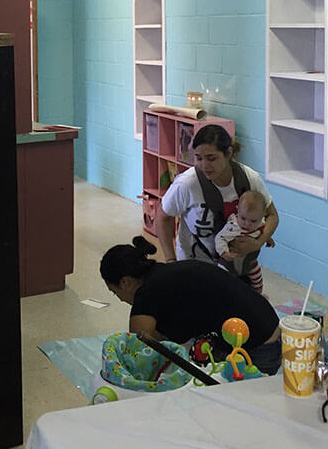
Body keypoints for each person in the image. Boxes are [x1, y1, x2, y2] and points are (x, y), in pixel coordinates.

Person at [100, 236, 281, 375]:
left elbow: (138, 350)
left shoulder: (146, 293)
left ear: (125, 283)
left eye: (115, 292)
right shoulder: (163, 274)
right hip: (270, 330)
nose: (121, 299)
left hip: (257, 351)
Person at [158, 124, 278, 271]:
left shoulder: (250, 178)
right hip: (195, 266)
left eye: (211, 158)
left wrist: (258, 242)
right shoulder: (187, 183)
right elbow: (162, 217)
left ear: (228, 153)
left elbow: (272, 215)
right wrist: (171, 261)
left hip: (236, 267)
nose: (204, 165)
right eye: (199, 158)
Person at [215, 189, 270, 293]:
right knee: (222, 278)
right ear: (237, 211)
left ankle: (257, 294)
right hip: (229, 262)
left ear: (262, 216)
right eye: (243, 218)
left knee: (257, 276)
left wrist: (268, 239)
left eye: (253, 221)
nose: (247, 224)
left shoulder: (260, 224)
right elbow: (219, 238)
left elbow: (262, 232)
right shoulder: (232, 226)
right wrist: (224, 252)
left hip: (248, 262)